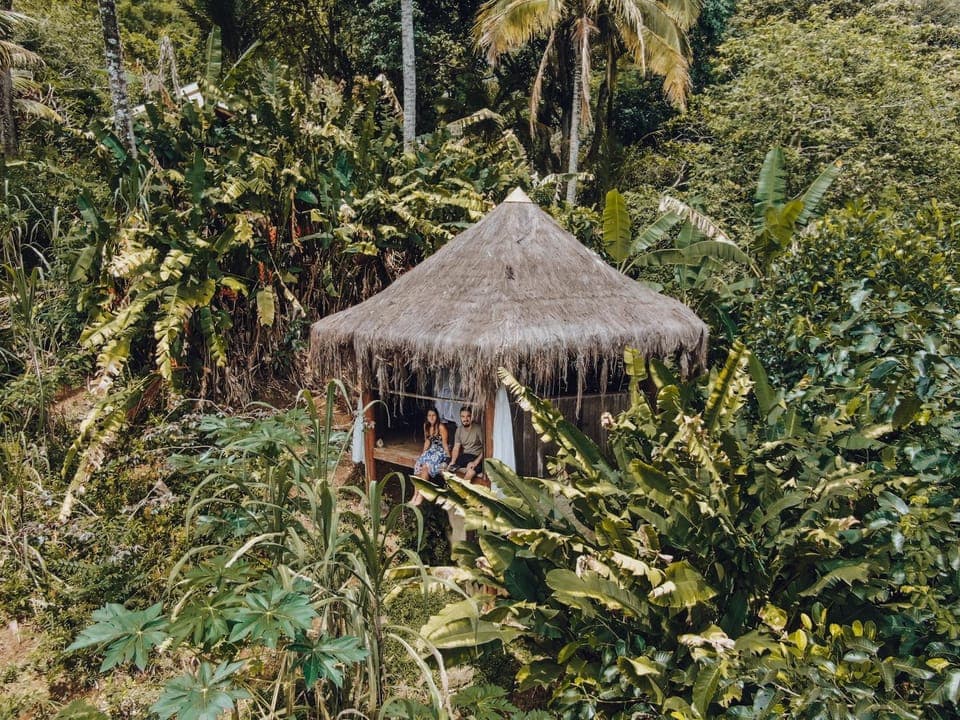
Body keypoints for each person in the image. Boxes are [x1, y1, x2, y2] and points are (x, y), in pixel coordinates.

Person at [411, 407, 450, 506]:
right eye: (429, 415)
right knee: (419, 465)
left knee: (426, 467)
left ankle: (420, 495)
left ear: (437, 416)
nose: (431, 418)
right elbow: (427, 441)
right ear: (427, 417)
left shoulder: (441, 427)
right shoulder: (426, 426)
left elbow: (445, 443)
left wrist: (449, 458)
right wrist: (423, 454)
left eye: (433, 415)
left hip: (440, 451)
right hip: (432, 449)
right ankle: (415, 494)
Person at [449, 406, 484, 482]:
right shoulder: (459, 430)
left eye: (468, 416)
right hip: (465, 456)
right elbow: (456, 447)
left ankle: (462, 490)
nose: (465, 419)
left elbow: (486, 448)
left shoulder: (478, 429)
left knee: (471, 471)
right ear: (460, 417)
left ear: (472, 417)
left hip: (477, 457)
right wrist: (453, 461)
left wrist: (475, 462)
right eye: (463, 416)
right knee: (449, 468)